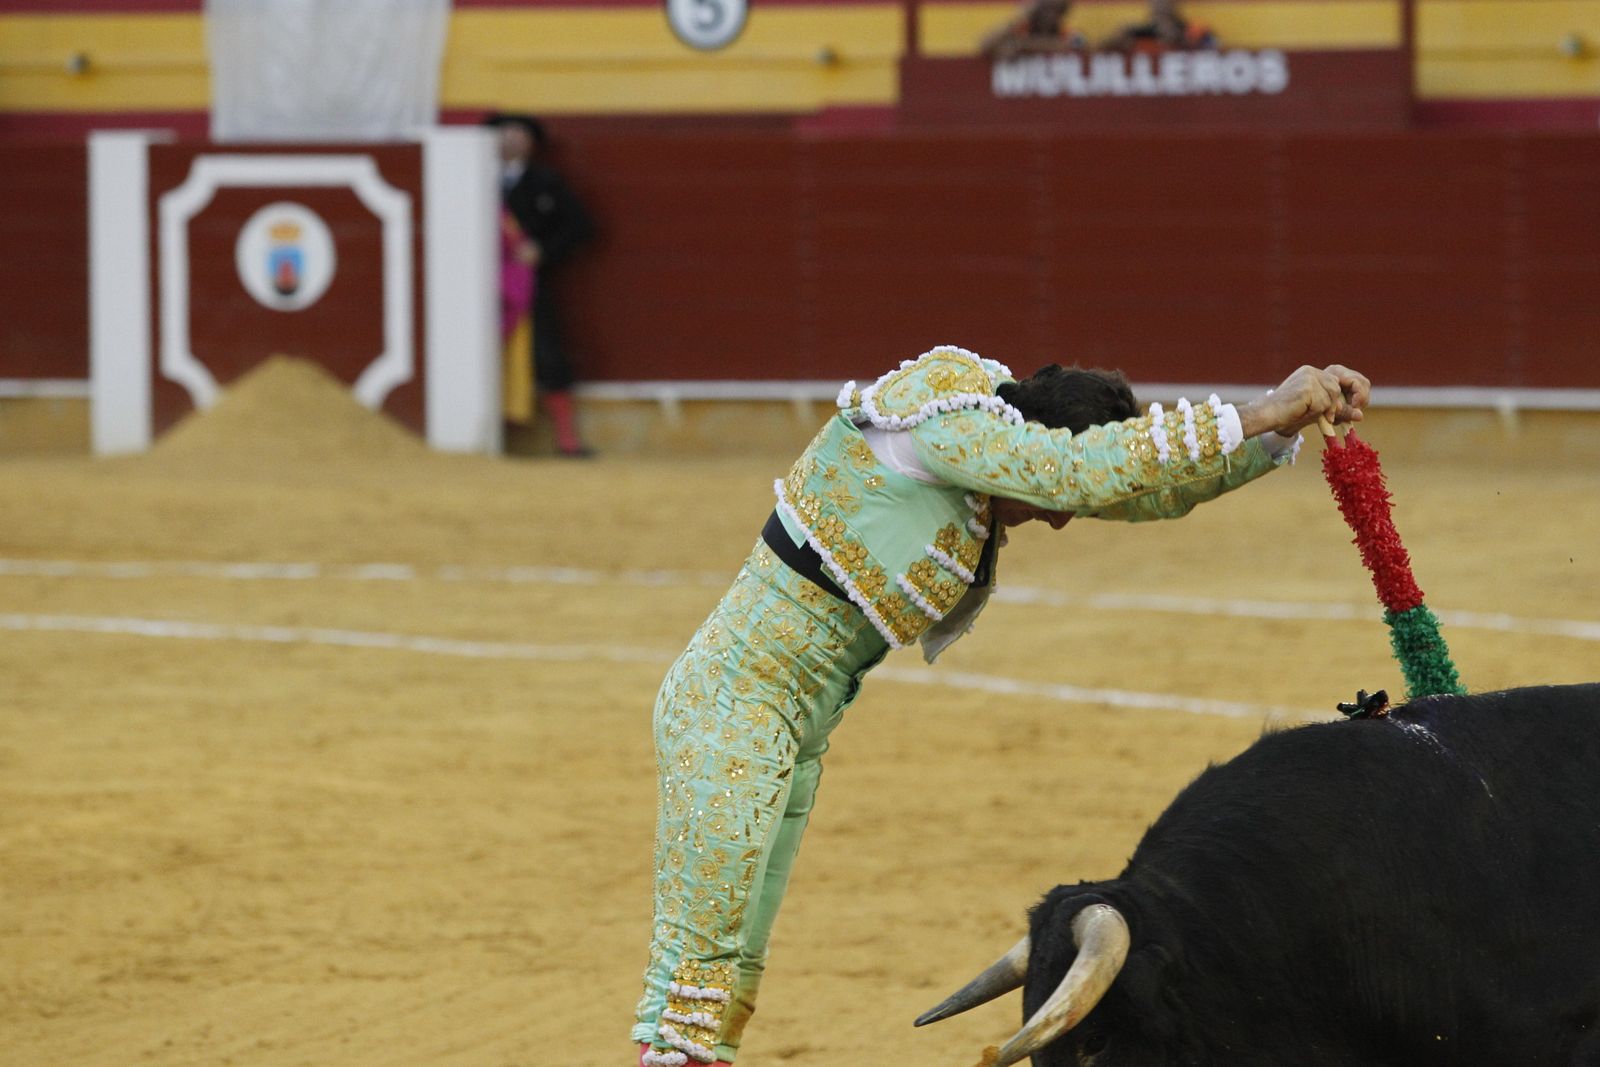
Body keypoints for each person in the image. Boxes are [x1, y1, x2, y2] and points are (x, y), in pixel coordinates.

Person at [632, 346, 1369, 1066]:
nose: (1059, 521)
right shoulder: (946, 425)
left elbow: (1132, 487)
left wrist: (1277, 428)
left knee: (730, 978)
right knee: (696, 985)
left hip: (794, 731)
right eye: (1056, 507)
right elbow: (1081, 474)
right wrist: (1262, 407)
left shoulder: (998, 448)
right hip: (732, 710)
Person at [484, 112, 597, 457]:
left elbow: (581, 226)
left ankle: (567, 440)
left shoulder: (545, 181)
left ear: (532, 143)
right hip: (473, 286)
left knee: (547, 355)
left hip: (527, 285)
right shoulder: (472, 180)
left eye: (519, 133)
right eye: (504, 133)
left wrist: (543, 250)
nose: (511, 139)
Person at [980, 0, 1088, 59]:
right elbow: (985, 45)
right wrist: (1019, 19)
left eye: (1057, 10)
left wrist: (1023, 45)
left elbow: (1079, 45)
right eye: (1046, 9)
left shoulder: (1068, 33)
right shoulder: (1021, 29)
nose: (1051, 15)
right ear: (1035, 11)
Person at [1102, 0, 1216, 52]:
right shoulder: (1138, 32)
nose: (1160, 4)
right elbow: (1103, 48)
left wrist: (1181, 40)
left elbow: (1216, 48)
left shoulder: (1193, 29)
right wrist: (1120, 39)